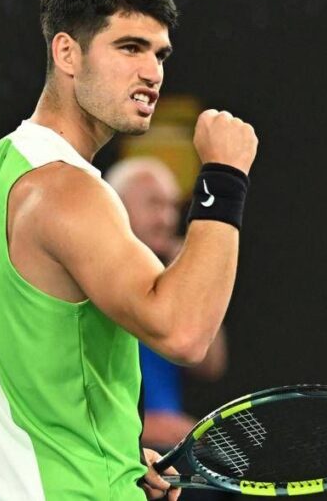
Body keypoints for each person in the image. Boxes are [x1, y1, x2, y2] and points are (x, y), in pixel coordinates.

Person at [0, 0, 258, 500]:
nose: (152, 72)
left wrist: (105, 446)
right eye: (130, 47)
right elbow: (185, 333)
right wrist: (224, 177)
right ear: (67, 52)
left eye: (160, 55)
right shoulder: (71, 191)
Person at [105, 158, 229, 450]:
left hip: (163, 454)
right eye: (154, 204)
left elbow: (209, 363)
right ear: (115, 205)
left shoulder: (169, 278)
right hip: (113, 450)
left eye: (172, 207)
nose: (167, 219)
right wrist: (150, 426)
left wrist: (194, 278)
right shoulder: (96, 280)